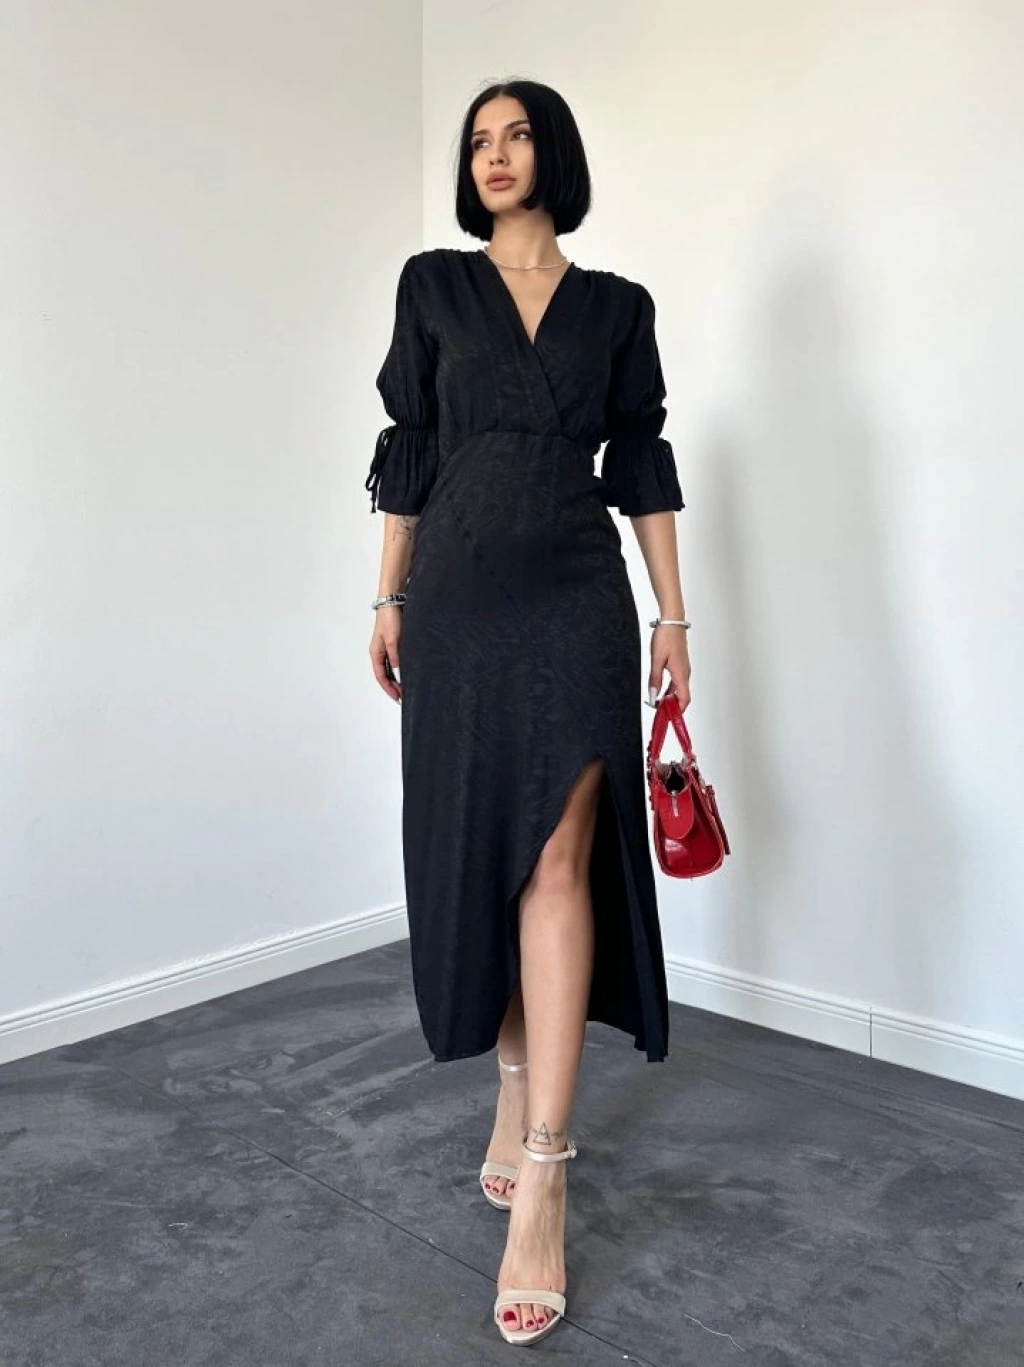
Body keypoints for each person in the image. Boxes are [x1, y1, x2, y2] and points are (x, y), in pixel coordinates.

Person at [365, 78, 691, 1347]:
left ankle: (546, 1164)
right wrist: (386, 596)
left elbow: (642, 462)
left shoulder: (619, 307)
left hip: (575, 599)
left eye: (515, 136)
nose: (495, 156)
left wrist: (672, 618)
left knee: (559, 855)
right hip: (455, 599)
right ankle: (512, 1084)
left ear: (555, 152)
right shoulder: (432, 287)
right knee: (495, 854)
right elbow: (409, 444)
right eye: (477, 142)